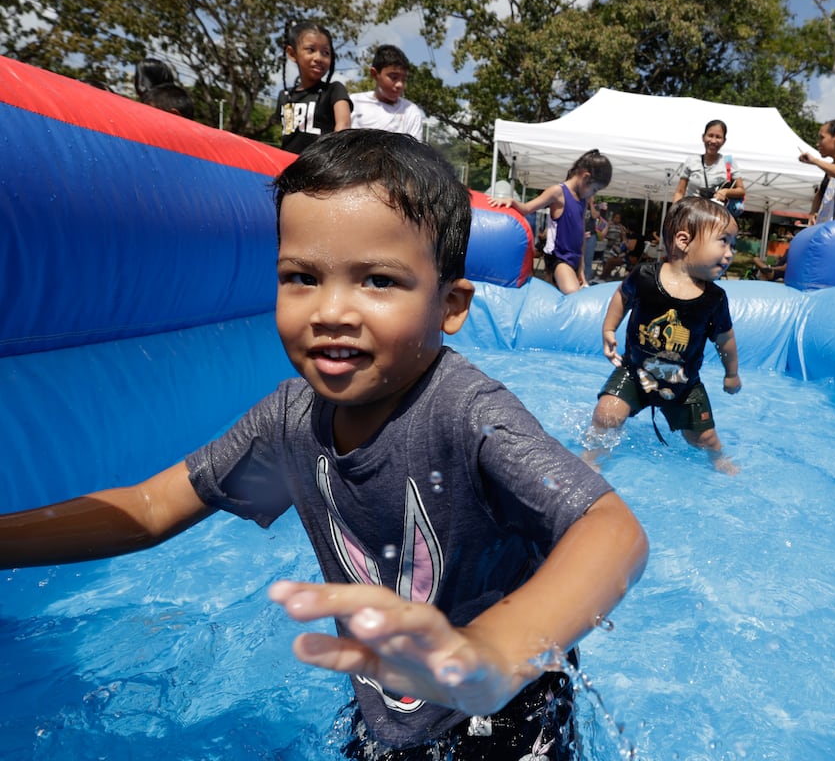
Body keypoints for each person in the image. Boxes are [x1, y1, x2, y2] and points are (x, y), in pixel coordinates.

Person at [0, 130, 648, 761]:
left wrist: (493, 652)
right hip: (386, 706)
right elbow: (148, 510)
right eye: (301, 276)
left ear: (450, 306)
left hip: (503, 708)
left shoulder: (463, 414)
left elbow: (610, 529)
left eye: (378, 281)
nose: (331, 309)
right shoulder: (289, 430)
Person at [583, 197, 742, 475]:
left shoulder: (714, 299)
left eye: (733, 244)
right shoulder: (645, 276)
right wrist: (609, 329)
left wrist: (732, 373)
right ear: (684, 240)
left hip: (683, 385)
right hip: (635, 372)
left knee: (703, 439)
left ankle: (719, 459)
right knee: (606, 414)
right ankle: (591, 458)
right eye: (723, 241)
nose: (730, 253)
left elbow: (725, 339)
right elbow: (622, 296)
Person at [487, 149, 611, 294]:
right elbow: (527, 208)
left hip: (575, 258)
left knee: (578, 293)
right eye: (594, 189)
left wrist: (582, 269)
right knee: (573, 294)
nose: (593, 194)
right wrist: (511, 201)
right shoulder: (557, 192)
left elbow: (581, 235)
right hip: (559, 258)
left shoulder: (582, 200)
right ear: (585, 177)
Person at [275, 20, 352, 154]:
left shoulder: (334, 90)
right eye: (311, 50)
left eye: (325, 53)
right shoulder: (284, 96)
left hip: (320, 168)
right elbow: (286, 133)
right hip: (288, 167)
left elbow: (343, 127)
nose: (318, 58)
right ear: (292, 53)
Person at [350, 44, 425, 139]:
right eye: (394, 77)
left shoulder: (410, 111)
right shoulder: (353, 103)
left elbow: (414, 151)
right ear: (374, 74)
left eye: (404, 79)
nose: (400, 85)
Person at [673, 119, 746, 214]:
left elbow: (741, 190)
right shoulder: (691, 161)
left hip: (716, 217)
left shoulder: (729, 162)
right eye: (710, 135)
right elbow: (680, 191)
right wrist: (674, 213)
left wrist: (725, 192)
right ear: (703, 137)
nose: (713, 141)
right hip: (691, 214)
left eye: (718, 137)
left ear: (724, 141)